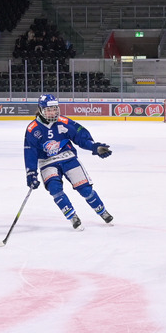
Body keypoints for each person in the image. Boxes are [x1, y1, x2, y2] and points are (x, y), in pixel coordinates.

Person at [23, 94, 114, 231]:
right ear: (41, 110)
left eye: (54, 109)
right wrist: (31, 173)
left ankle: (102, 211)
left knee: (85, 189)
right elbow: (30, 152)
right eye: (48, 110)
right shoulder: (32, 129)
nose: (53, 112)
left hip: (68, 157)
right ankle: (72, 216)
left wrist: (94, 147)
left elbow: (80, 136)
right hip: (47, 162)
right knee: (54, 188)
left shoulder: (64, 122)